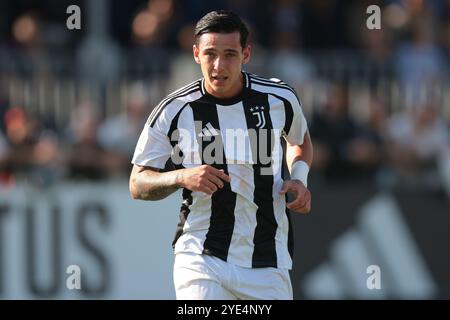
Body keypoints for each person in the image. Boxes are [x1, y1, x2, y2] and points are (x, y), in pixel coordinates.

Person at [129, 10, 313, 300]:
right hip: (201, 255)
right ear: (195, 54)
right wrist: (181, 176)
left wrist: (300, 178)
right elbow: (138, 184)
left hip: (267, 259)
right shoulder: (174, 111)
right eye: (210, 54)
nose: (218, 65)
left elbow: (300, 140)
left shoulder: (279, 99)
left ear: (246, 54)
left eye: (229, 54)